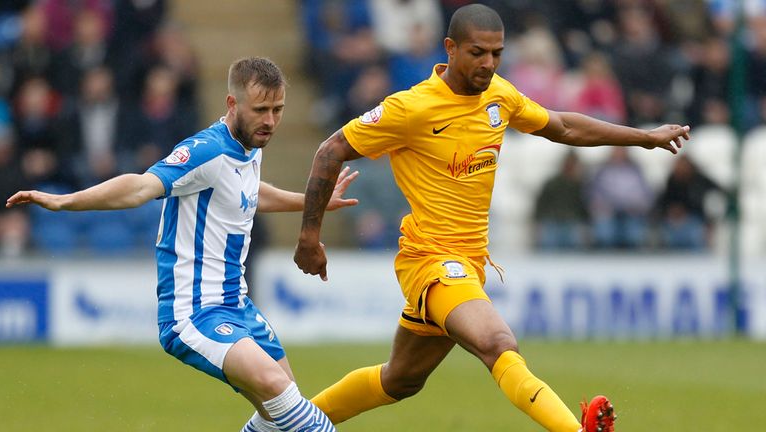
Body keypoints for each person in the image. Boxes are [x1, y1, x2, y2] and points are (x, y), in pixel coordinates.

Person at [293, 5, 690, 432]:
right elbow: (330, 150)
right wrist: (309, 238)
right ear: (450, 48)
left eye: (497, 53)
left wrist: (644, 138)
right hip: (432, 262)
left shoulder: (498, 95)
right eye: (477, 52)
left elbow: (562, 126)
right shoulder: (410, 109)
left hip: (470, 264)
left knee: (401, 379)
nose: (488, 63)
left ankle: (287, 423)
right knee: (498, 344)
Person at [7, 57, 358, 432]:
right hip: (194, 313)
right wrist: (65, 201)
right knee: (281, 392)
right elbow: (141, 186)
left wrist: (313, 199)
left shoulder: (251, 145)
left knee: (279, 411)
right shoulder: (206, 151)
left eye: (278, 109)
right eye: (260, 110)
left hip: (236, 304)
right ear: (232, 104)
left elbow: (250, 193)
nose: (270, 121)